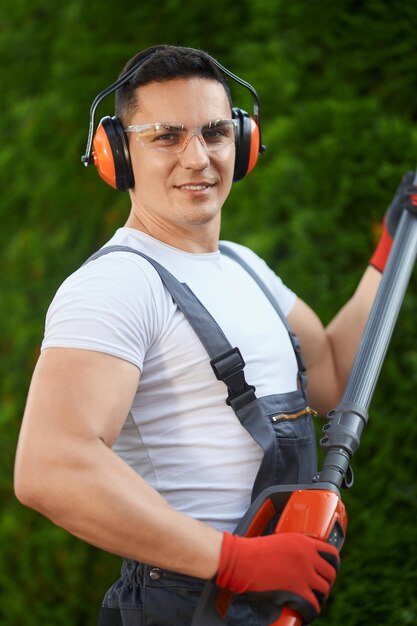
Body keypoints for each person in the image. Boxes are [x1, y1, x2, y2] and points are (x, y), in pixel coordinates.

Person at [13, 45, 415, 626]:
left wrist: (390, 250)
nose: (198, 157)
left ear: (244, 144)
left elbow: (329, 377)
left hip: (266, 599)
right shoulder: (116, 284)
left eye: (215, 133)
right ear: (118, 156)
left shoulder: (242, 265)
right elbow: (51, 467)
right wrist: (235, 561)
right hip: (184, 602)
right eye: (166, 136)